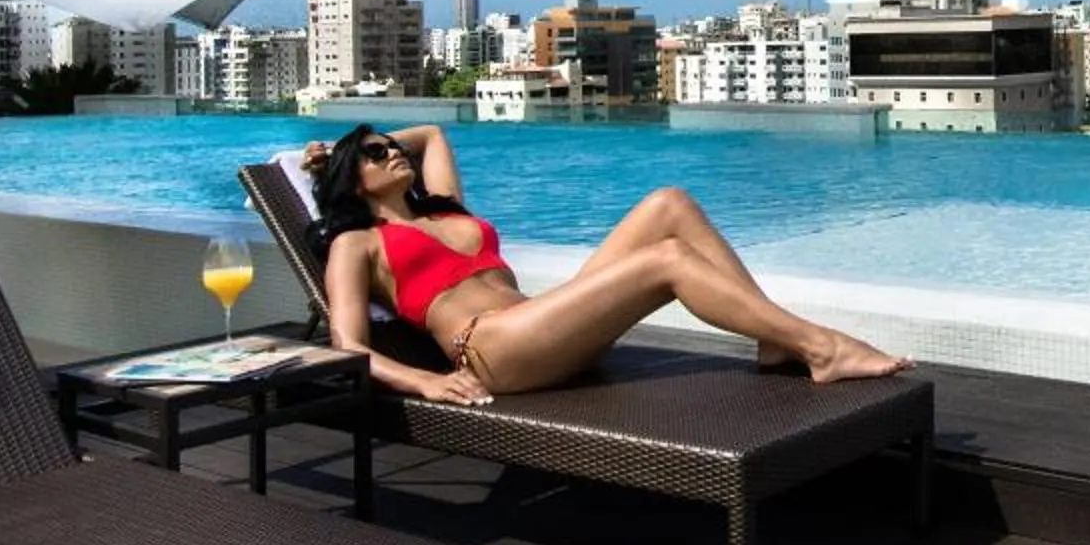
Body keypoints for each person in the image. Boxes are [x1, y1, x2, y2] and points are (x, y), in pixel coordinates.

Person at [300, 123, 911, 405]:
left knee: (669, 205)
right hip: (493, 350)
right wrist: (426, 381)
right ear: (354, 181)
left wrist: (353, 151)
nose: (395, 152)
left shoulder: (442, 211)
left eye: (389, 144)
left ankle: (775, 343)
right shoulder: (360, 243)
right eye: (378, 153)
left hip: (541, 323)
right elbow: (348, 343)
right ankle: (821, 349)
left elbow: (432, 133)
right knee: (667, 260)